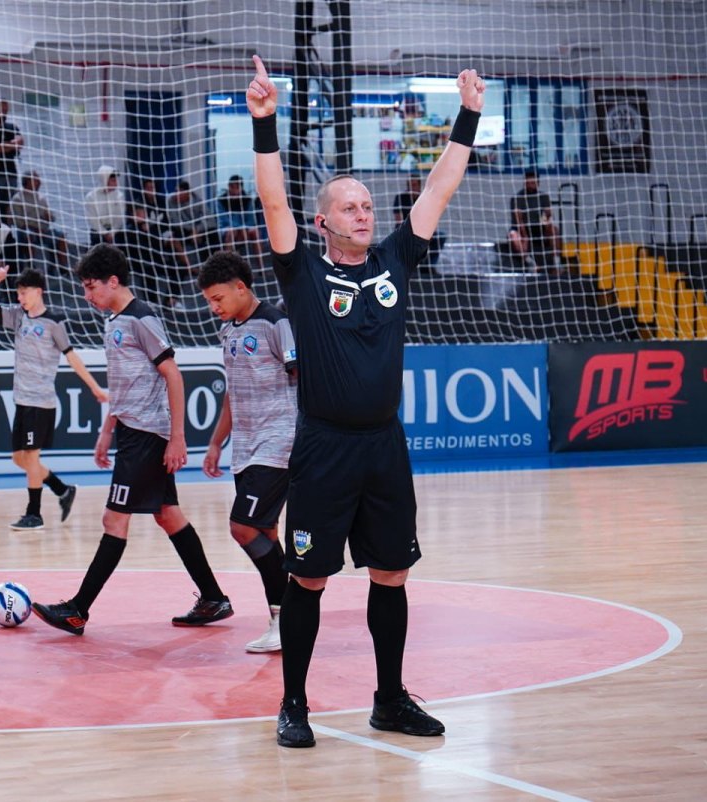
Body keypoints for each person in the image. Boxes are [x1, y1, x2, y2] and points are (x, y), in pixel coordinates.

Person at [248, 54, 484, 746]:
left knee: (392, 572)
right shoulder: (302, 270)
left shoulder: (393, 260)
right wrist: (265, 123)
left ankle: (390, 700)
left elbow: (440, 187)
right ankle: (294, 704)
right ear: (323, 222)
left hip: (384, 445)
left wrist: (469, 114)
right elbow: (273, 202)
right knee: (309, 579)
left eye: (368, 206)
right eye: (350, 207)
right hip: (323, 447)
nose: (363, 213)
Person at [31, 243, 232, 637]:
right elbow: (123, 386)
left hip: (147, 435)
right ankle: (213, 597)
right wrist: (107, 430)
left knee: (114, 519)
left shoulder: (141, 318)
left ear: (113, 281)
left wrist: (178, 438)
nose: (86, 296)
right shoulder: (113, 322)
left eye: (91, 286)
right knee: (168, 515)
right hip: (131, 432)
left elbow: (173, 375)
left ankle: (77, 610)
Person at [198, 251, 296, 654]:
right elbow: (232, 391)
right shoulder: (228, 331)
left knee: (243, 527)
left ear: (241, 287)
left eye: (218, 298)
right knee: (266, 533)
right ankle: (287, 618)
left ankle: (289, 618)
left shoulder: (275, 323)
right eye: (209, 301)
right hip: (246, 446)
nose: (214, 307)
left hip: (279, 442)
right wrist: (216, 441)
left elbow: (303, 377)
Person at [0, 266, 108, 529]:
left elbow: (71, 357)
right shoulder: (18, 316)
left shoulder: (54, 323)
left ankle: (34, 514)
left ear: (38, 292)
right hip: (22, 401)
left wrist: (95, 387)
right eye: (18, 294)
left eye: (24, 293)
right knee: (19, 459)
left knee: (31, 458)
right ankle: (63, 489)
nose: (20, 298)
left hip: (40, 402)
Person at [11, 170, 69, 272]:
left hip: (43, 231)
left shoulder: (41, 198)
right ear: (27, 182)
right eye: (36, 180)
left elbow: (52, 217)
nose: (39, 183)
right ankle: (31, 266)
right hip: (28, 231)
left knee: (60, 236)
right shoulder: (17, 199)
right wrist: (35, 229)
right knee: (28, 234)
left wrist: (49, 217)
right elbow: (19, 222)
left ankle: (63, 268)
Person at [508, 170, 561, 269]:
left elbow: (547, 215)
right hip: (522, 228)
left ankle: (557, 262)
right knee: (513, 235)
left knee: (554, 230)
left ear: (538, 184)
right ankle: (530, 262)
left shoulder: (544, 197)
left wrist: (546, 224)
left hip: (539, 227)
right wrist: (525, 236)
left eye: (532, 183)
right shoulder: (517, 198)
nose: (530, 185)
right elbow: (519, 220)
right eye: (528, 183)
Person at [217, 175, 263, 269]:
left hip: (245, 228)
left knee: (255, 232)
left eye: (237, 187)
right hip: (227, 228)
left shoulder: (247, 200)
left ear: (241, 188)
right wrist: (238, 227)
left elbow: (251, 219)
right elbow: (223, 219)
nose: (234, 190)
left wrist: (244, 228)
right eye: (232, 187)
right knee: (231, 232)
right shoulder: (221, 201)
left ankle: (261, 267)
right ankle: (228, 267)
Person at [85, 165, 126, 246]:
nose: (116, 184)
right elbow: (92, 219)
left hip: (116, 232)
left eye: (116, 180)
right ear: (104, 180)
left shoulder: (119, 196)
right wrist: (104, 233)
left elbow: (119, 218)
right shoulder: (91, 197)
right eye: (113, 181)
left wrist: (112, 233)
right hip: (98, 232)